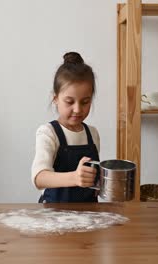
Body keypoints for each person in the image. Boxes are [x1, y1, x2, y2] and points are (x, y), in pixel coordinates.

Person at [31, 52, 100, 203]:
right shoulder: (48, 133)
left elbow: (93, 184)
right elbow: (39, 178)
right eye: (69, 101)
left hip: (89, 217)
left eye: (85, 102)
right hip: (55, 216)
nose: (77, 109)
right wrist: (74, 177)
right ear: (55, 98)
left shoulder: (92, 134)